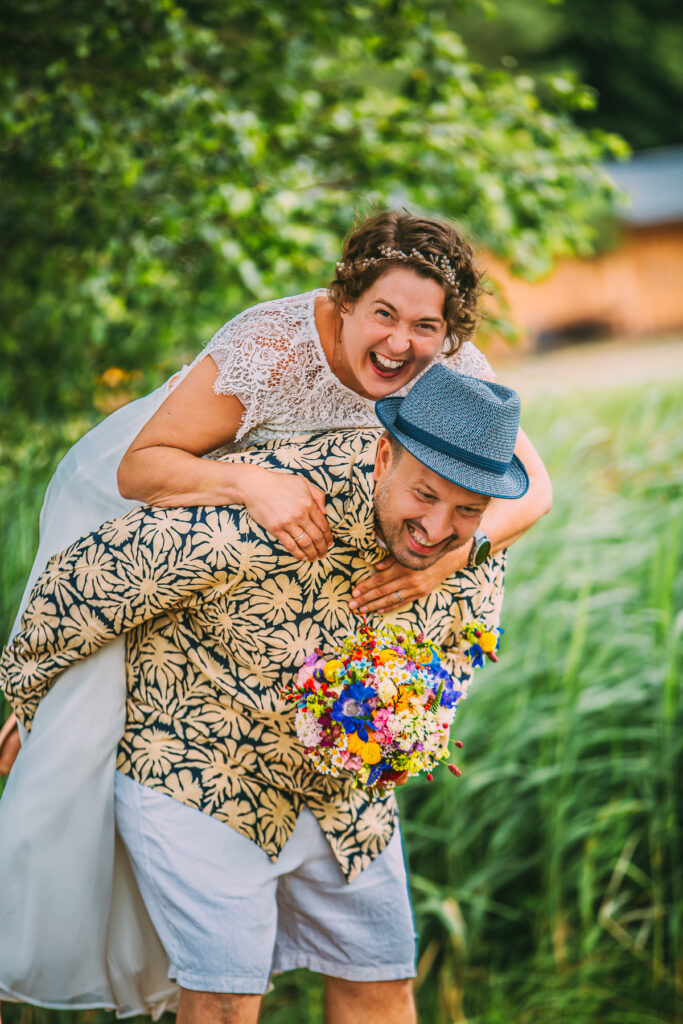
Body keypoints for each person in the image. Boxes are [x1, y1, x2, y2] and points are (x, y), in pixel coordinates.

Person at [1, 366, 530, 1021]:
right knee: (224, 1000)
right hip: (199, 773)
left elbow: (462, 646)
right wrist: (38, 705)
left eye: (466, 510)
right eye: (424, 495)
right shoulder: (272, 509)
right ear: (385, 455)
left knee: (381, 983)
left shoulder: (467, 548)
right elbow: (79, 586)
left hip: (346, 800)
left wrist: (410, 723)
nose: (436, 527)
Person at [0, 210, 551, 775]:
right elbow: (139, 470)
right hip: (155, 481)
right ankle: (44, 704)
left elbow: (534, 490)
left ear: (447, 331)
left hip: (246, 556)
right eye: (383, 314)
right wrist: (251, 483)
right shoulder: (272, 349)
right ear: (346, 301)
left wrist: (445, 563)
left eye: (425, 326)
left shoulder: (449, 366)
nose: (399, 343)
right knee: (79, 717)